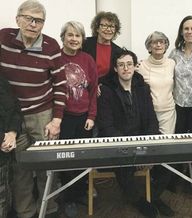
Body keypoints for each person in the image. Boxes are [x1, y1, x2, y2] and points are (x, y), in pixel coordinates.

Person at [0, 1, 67, 218]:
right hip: (12, 117)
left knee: (47, 166)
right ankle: (25, 212)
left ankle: (50, 210)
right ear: (18, 18)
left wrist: (56, 120)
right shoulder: (3, 38)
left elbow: (60, 85)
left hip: (42, 114)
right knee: (20, 169)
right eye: (28, 18)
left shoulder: (51, 46)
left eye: (38, 20)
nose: (33, 24)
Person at [97, 48, 167, 218]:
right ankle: (139, 201)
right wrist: (131, 147)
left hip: (142, 138)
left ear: (135, 66)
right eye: (121, 65)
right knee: (124, 167)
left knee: (168, 162)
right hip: (119, 142)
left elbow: (151, 119)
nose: (126, 68)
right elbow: (107, 126)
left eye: (129, 64)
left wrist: (148, 147)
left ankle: (155, 197)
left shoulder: (143, 88)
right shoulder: (106, 90)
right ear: (115, 68)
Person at [59, 21, 98, 216]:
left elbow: (92, 91)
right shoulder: (55, 57)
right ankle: (69, 198)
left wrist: (91, 116)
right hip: (63, 117)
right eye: (70, 35)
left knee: (83, 157)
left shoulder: (88, 59)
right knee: (65, 158)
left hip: (84, 117)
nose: (74, 39)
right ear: (63, 37)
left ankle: (82, 190)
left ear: (82, 39)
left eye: (78, 36)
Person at [138, 31, 175, 217]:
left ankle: (154, 196)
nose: (158, 45)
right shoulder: (141, 66)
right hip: (149, 116)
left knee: (165, 155)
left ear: (166, 45)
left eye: (162, 42)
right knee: (150, 153)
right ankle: (147, 195)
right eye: (154, 42)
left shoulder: (172, 64)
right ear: (149, 46)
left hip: (169, 113)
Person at [0, 76, 22, 218]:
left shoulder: (2, 82)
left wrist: (13, 133)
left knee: (5, 199)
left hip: (6, 153)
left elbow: (15, 108)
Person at [83, 11, 122, 89]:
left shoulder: (118, 51)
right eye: (104, 26)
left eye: (112, 26)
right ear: (97, 28)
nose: (108, 29)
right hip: (84, 87)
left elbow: (115, 76)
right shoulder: (85, 43)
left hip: (105, 90)